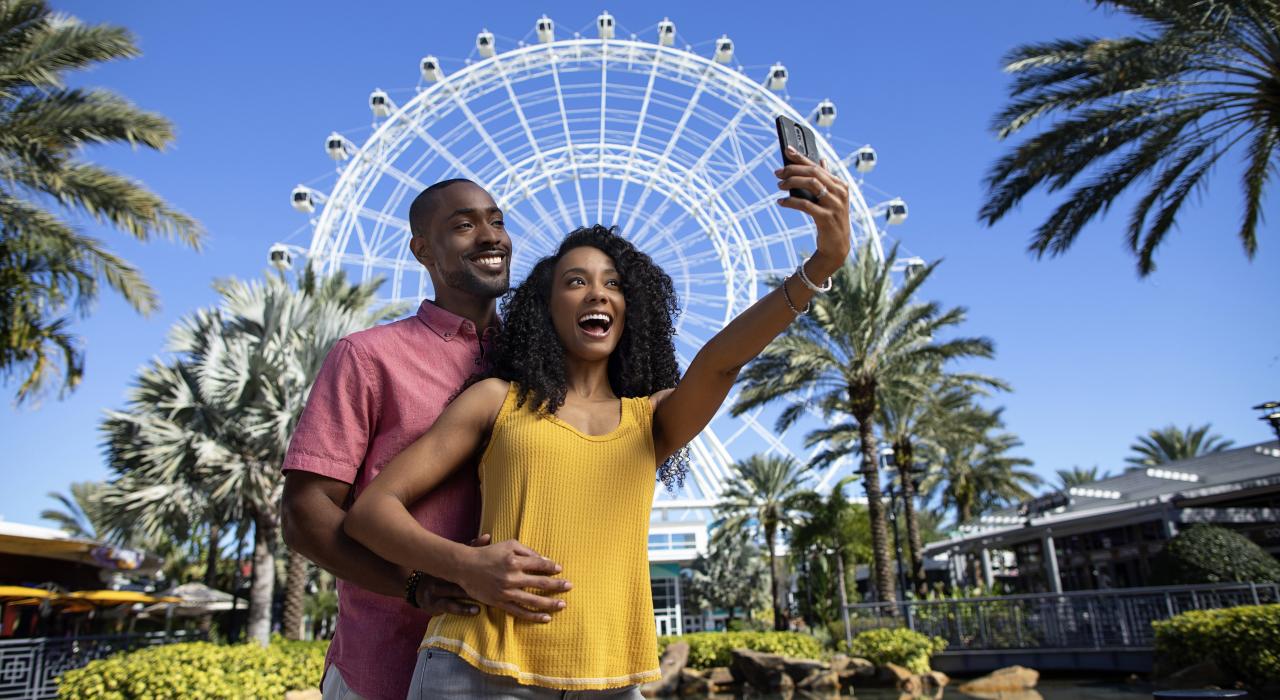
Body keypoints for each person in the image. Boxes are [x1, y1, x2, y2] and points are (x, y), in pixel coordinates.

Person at [343, 147, 851, 697]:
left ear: (631, 308)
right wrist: (465, 565)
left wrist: (820, 265)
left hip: (611, 678)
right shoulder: (497, 400)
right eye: (575, 281)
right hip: (477, 667)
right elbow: (370, 512)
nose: (597, 293)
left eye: (613, 283)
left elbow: (721, 361)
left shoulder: (650, 420)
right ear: (546, 306)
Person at [281, 179, 569, 700]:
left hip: (524, 668)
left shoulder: (546, 365)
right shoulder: (368, 358)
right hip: (388, 662)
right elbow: (306, 514)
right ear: (421, 249)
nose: (490, 237)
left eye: (497, 221)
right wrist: (417, 585)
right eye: (463, 225)